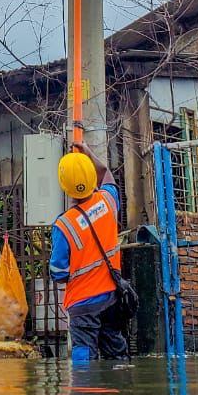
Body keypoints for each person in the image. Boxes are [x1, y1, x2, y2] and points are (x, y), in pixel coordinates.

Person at [50, 141, 128, 366]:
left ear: (65, 186)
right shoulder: (108, 201)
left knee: (84, 362)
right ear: (92, 178)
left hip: (82, 306)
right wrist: (88, 152)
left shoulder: (64, 225)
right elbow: (108, 176)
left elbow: (58, 272)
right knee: (117, 355)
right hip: (112, 298)